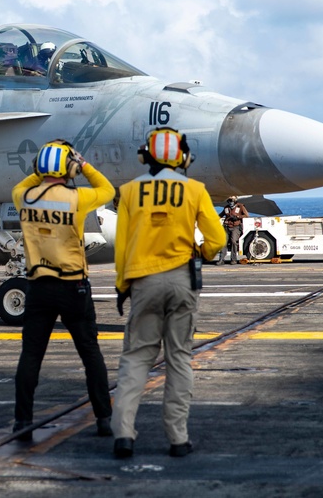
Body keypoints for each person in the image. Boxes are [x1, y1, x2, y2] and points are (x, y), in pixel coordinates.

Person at [111, 128, 225, 459]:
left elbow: (123, 247)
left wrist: (121, 287)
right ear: (182, 157)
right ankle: (177, 439)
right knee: (179, 359)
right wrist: (202, 253)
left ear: (145, 155)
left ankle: (124, 436)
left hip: (143, 282)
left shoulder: (130, 191)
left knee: (135, 359)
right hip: (182, 280)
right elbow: (216, 239)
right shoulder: (195, 189)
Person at [11, 139, 116, 442]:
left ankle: (22, 423)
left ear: (37, 169)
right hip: (73, 287)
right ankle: (103, 419)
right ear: (68, 168)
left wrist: (38, 171)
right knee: (90, 355)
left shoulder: (24, 197)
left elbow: (25, 183)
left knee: (31, 356)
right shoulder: (76, 197)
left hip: (38, 288)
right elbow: (107, 190)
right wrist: (83, 166)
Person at [218, 196, 249, 264]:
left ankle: (233, 259)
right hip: (226, 226)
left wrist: (237, 217)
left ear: (235, 201)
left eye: (231, 201)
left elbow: (246, 215)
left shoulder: (240, 206)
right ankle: (221, 259)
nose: (230, 202)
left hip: (236, 226)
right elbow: (221, 215)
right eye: (229, 201)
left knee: (234, 241)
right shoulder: (226, 208)